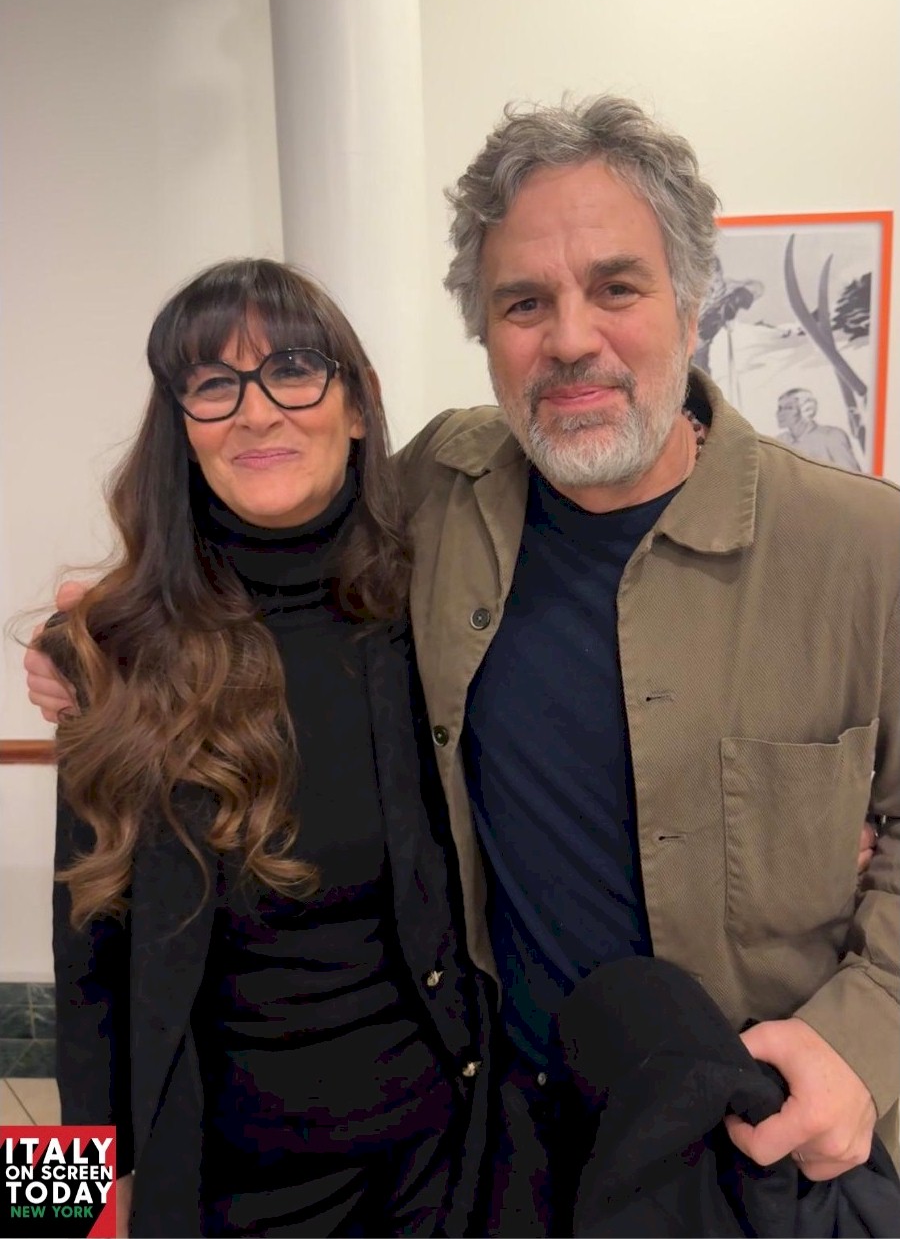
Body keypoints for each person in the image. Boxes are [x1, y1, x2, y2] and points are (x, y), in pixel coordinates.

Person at [26, 98, 897, 1233]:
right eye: (524, 302)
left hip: (686, 1153)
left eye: (616, 287)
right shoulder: (426, 513)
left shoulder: (862, 550)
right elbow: (86, 980)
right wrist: (49, 1213)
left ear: (692, 301)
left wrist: (866, 1038)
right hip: (396, 1167)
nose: (570, 337)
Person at [35, 259, 491, 1238]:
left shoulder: (433, 616)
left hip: (437, 1168)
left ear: (356, 408)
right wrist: (58, 1218)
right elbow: (85, 966)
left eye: (291, 369)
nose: (255, 411)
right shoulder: (114, 653)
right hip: (221, 1186)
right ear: (184, 427)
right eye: (214, 383)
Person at [776, 386, 862, 470]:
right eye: (780, 408)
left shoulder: (831, 436)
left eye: (789, 408)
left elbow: (851, 475)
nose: (780, 413)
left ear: (807, 410)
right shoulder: (779, 441)